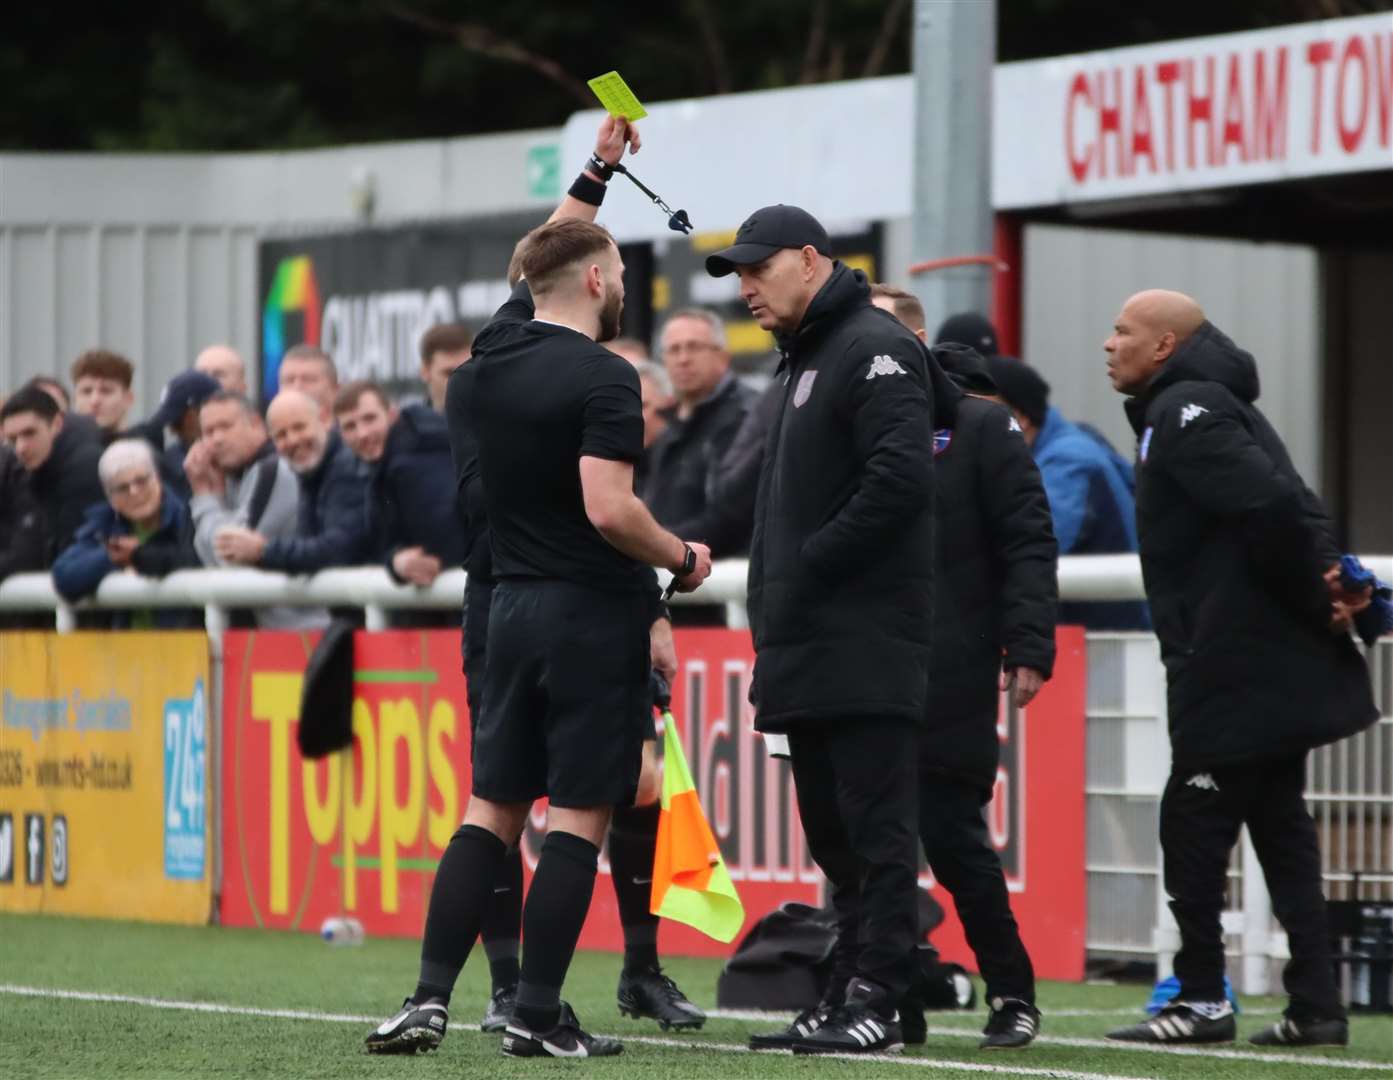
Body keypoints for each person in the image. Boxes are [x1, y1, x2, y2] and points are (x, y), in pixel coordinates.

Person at [367, 114, 713, 1060]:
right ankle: (533, 1017)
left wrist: (599, 171)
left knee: (490, 807)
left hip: (502, 608)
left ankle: (429, 999)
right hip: (588, 611)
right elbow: (609, 509)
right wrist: (680, 556)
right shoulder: (605, 376)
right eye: (618, 275)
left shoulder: (478, 369)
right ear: (599, 282)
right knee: (581, 814)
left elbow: (543, 261)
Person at [1101, 290, 1377, 1048]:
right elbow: (1293, 502)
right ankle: (1316, 1005)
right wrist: (1321, 584)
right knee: (1281, 833)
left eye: (1122, 331)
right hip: (1256, 664)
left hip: (1234, 669)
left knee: (1190, 825)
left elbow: (1268, 504)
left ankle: (1200, 998)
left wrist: (1312, 595)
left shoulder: (1184, 409)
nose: (1107, 343)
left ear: (1162, 346)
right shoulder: (1208, 404)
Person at [707, 205, 935, 1055]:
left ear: (809, 262)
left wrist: (807, 564)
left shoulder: (870, 347)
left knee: (874, 833)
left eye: (757, 271)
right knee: (836, 836)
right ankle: (865, 988)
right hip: (810, 638)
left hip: (862, 636)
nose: (746, 291)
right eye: (736, 276)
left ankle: (873, 992)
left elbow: (900, 480)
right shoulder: (807, 356)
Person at [872, 285, 1057, 1050]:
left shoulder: (982, 426)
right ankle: (891, 992)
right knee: (863, 842)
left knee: (950, 837)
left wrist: (1028, 646)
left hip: (947, 664)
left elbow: (1026, 542)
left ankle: (1012, 992)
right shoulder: (842, 421)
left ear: (912, 338)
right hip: (859, 661)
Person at [974, 352, 1146, 630]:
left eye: (980, 413)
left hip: (1109, 648)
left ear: (1019, 417)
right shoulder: (1064, 448)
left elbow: (1032, 541)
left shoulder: (1069, 463)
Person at [185, 391, 321, 629]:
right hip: (276, 631)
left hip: (304, 629)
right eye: (208, 432)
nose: (216, 439)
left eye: (226, 427)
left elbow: (226, 556)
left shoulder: (272, 469)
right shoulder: (230, 475)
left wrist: (205, 498)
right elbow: (209, 557)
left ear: (256, 425)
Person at [212, 389, 370, 574]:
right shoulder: (309, 470)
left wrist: (263, 550)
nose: (293, 440)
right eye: (281, 435)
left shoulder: (346, 468)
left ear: (325, 419)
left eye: (299, 427)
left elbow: (337, 551)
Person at [642, 309, 756, 557]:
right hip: (674, 572)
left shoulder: (745, 417)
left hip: (721, 579)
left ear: (723, 357)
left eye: (693, 347)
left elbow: (729, 520)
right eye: (673, 350)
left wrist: (650, 544)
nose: (683, 359)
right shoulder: (669, 423)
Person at [51, 439, 200, 628]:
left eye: (141, 481)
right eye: (122, 488)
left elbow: (194, 559)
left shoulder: (188, 516)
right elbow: (65, 576)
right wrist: (115, 558)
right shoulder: (104, 526)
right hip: (126, 648)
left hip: (185, 643)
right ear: (109, 497)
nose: (135, 492)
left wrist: (139, 556)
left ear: (157, 478)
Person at [333, 380, 464, 589]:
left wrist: (397, 564)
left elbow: (438, 553)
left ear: (392, 415)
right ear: (341, 435)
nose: (363, 434)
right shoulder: (385, 462)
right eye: (350, 426)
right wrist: (395, 560)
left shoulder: (412, 461)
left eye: (370, 419)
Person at [1, 385, 105, 565]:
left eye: (29, 433)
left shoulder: (84, 469)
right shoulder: (33, 471)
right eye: (12, 439)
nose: (21, 448)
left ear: (56, 424)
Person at [418, 325, 472, 413]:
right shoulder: (406, 424)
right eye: (449, 373)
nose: (460, 382)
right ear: (425, 371)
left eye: (466, 373)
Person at [278, 344, 338, 418]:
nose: (297, 387)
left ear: (334, 389)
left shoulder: (351, 428)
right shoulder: (265, 428)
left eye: (308, 379)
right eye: (289, 380)